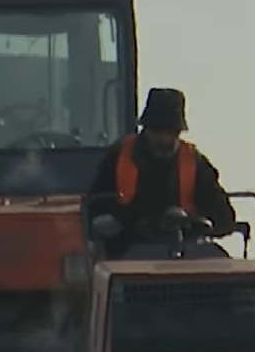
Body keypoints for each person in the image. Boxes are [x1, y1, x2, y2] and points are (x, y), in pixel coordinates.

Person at [86, 88, 237, 255]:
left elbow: (223, 216)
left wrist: (194, 221)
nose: (164, 139)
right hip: (128, 250)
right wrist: (122, 219)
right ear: (145, 129)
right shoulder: (119, 156)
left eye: (171, 132)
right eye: (157, 131)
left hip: (187, 252)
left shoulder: (194, 162)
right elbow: (94, 206)